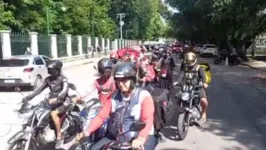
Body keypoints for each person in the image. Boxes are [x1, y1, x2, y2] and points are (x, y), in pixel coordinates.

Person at [76, 62, 158, 150]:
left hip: (141, 137)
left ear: (133, 79)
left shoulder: (144, 96)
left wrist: (141, 138)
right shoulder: (114, 96)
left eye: (124, 80)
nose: (121, 84)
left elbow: (147, 120)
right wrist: (86, 131)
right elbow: (101, 116)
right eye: (118, 81)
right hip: (117, 137)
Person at [22, 60, 70, 143]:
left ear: (57, 70)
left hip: (64, 101)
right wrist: (28, 97)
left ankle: (59, 134)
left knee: (53, 113)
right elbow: (38, 90)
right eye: (49, 70)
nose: (50, 71)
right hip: (50, 101)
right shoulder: (48, 79)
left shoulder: (63, 79)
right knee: (37, 110)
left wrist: (57, 98)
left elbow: (64, 91)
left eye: (52, 70)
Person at [175, 52, 209, 122]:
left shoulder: (198, 68)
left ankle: (204, 112)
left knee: (204, 100)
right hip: (186, 87)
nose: (189, 63)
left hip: (197, 87)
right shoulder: (185, 67)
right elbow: (181, 75)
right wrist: (177, 82)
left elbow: (203, 76)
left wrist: (204, 83)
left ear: (195, 60)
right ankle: (181, 110)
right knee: (177, 97)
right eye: (188, 61)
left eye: (190, 61)